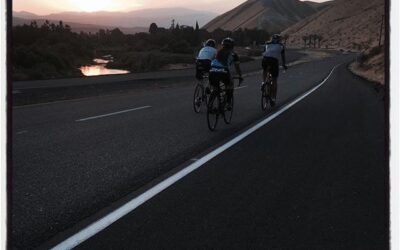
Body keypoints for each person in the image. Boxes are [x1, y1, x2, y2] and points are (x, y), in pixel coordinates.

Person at [209, 37, 243, 110]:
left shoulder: (218, 52)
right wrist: (240, 76)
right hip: (224, 71)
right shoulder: (234, 54)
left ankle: (210, 106)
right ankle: (228, 103)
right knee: (230, 85)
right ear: (232, 46)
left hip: (212, 70)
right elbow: (237, 68)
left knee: (215, 88)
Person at [262, 34, 287, 106]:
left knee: (264, 70)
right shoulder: (281, 46)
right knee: (274, 79)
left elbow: (264, 53)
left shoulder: (267, 43)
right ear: (279, 40)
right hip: (274, 61)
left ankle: (263, 82)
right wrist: (284, 65)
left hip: (265, 60)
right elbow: (283, 57)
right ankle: (273, 98)